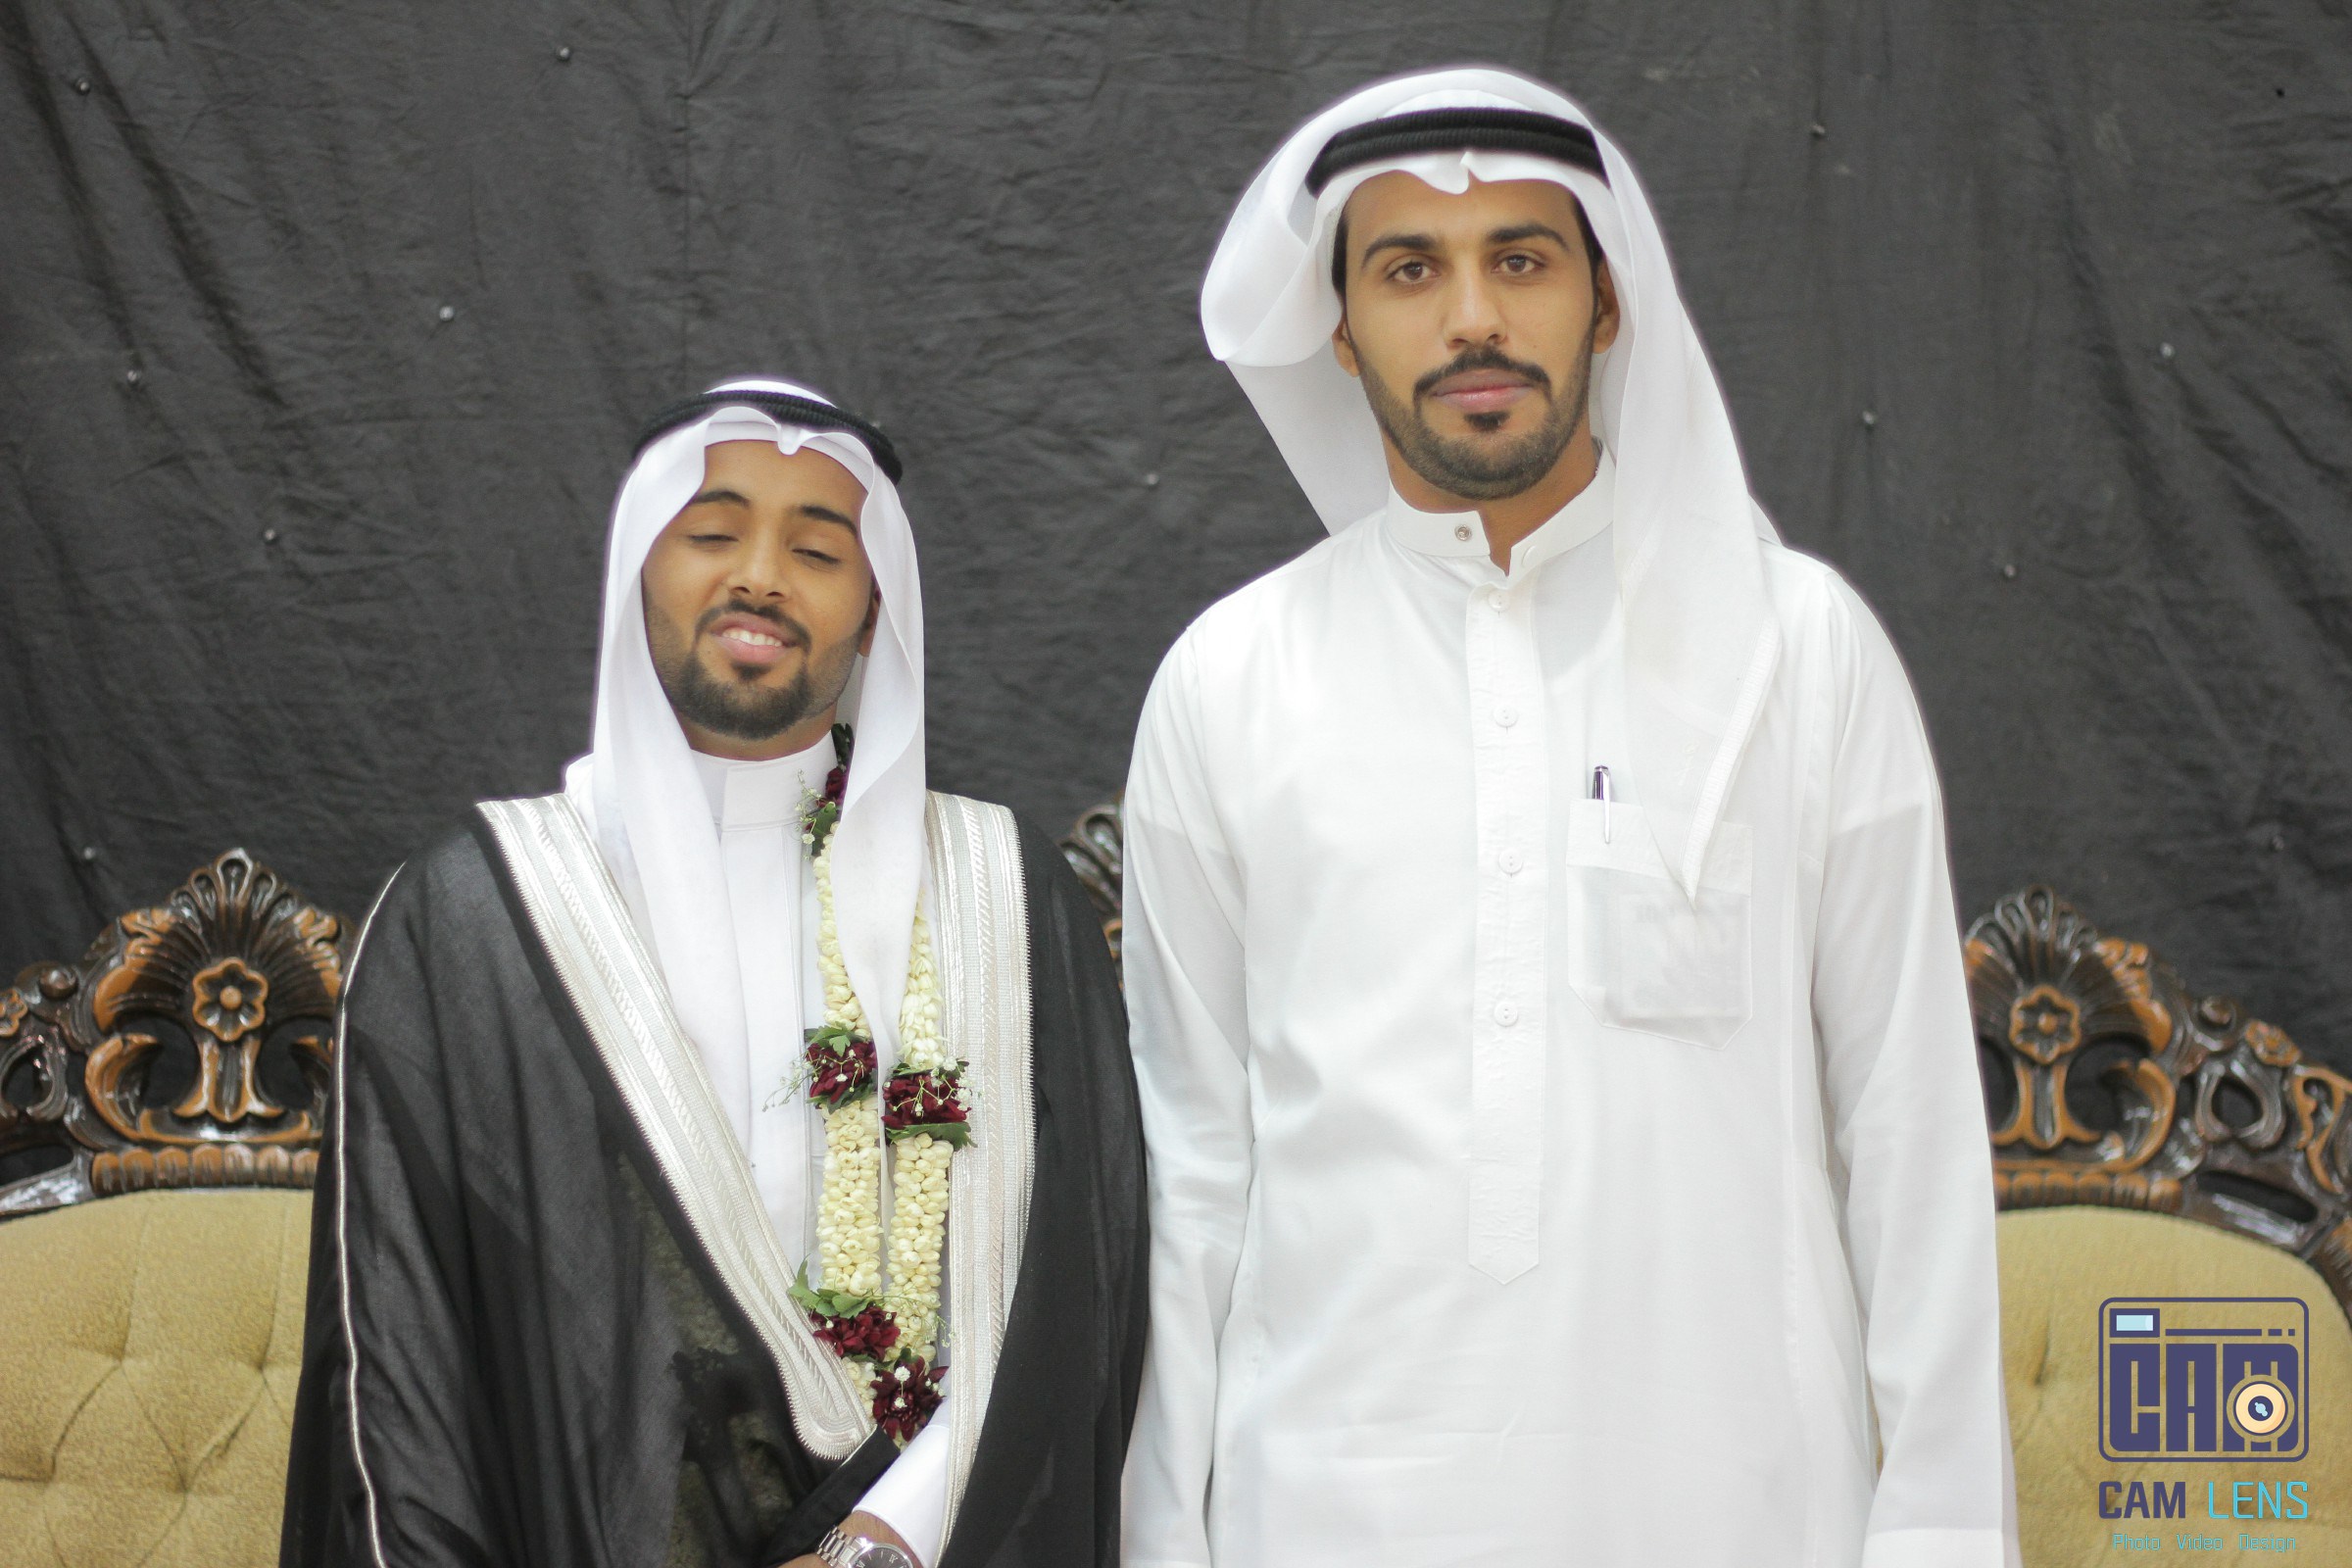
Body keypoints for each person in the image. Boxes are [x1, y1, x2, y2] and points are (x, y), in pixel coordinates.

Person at [1120, 70, 2020, 1568]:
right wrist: (1166, 1537)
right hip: (1324, 1517)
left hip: (1743, 1518)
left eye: (1522, 259)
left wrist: (1939, 1538)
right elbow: (1190, 1172)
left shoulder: (1798, 651)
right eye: (1411, 270)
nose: (1472, 317)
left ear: (1608, 300)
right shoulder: (1232, 682)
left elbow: (1910, 1137)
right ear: (1338, 328)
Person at [281, 380, 1145, 1568]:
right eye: (712, 531)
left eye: (817, 549)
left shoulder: (1000, 893)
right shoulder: (469, 919)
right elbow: (398, 1370)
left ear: (874, 608)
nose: (760, 577)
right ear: (641, 567)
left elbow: (1083, 1279)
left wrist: (877, 1548)